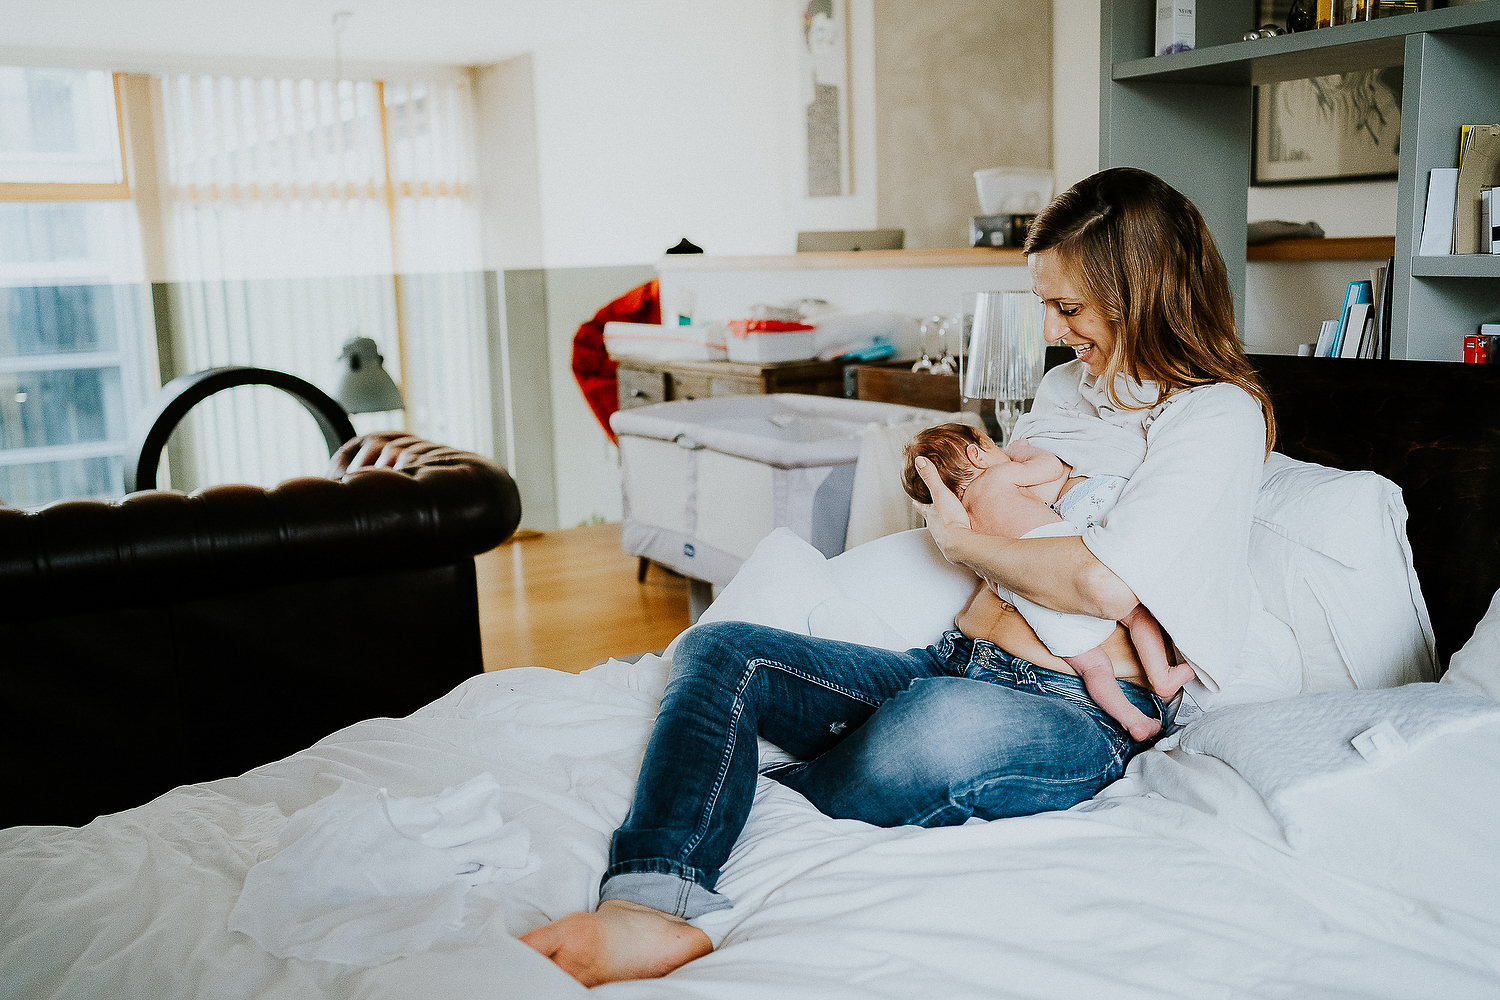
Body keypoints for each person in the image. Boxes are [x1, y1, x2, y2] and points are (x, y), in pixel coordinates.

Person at [521, 166, 1276, 987]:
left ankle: (761, 786)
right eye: (1045, 305)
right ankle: (646, 904)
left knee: (937, 726)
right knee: (720, 649)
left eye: (1069, 308)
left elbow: (1102, 586)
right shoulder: (1069, 387)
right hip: (952, 659)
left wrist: (960, 544)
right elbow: (1008, 510)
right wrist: (973, 522)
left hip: (1078, 709)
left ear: (1140, 295)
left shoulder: (1217, 414)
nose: (1052, 330)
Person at [900, 422, 1194, 741]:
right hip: (1057, 572)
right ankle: (1162, 676)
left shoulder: (964, 518)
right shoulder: (999, 475)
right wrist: (1023, 452)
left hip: (1028, 602)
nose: (1002, 451)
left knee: (1093, 668)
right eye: (994, 446)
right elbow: (1051, 467)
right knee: (1137, 615)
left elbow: (988, 570)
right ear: (977, 454)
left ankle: (1132, 719)